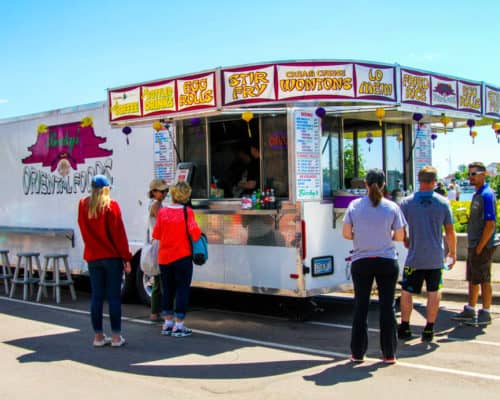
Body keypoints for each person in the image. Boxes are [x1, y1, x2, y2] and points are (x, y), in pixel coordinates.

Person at [342, 169, 406, 364]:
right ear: (384, 184)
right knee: (387, 308)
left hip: (362, 261)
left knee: (361, 307)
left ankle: (358, 353)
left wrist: (360, 237)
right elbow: (401, 236)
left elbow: (346, 233)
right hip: (387, 260)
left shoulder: (354, 206)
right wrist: (386, 236)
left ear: (365, 185)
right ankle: (389, 353)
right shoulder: (392, 207)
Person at [398, 166, 457, 342]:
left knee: (407, 292)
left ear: (419, 180)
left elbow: (400, 229)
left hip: (415, 256)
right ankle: (429, 328)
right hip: (435, 258)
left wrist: (406, 240)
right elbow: (450, 231)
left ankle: (405, 327)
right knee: (434, 292)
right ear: (434, 181)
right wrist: (452, 253)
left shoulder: (407, 202)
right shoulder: (443, 203)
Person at [77, 174, 132, 347]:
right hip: (112, 258)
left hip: (93, 256)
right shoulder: (111, 206)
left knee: (97, 297)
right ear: (106, 189)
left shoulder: (83, 205)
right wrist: (126, 258)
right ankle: (116, 337)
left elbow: (83, 229)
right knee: (114, 297)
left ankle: (98, 336)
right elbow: (119, 234)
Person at [153, 181, 202, 337]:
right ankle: (179, 325)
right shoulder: (188, 212)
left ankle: (167, 323)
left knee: (167, 289)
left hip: (164, 258)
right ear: (186, 195)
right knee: (182, 289)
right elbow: (195, 234)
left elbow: (156, 235)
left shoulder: (163, 212)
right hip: (182, 257)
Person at [452, 162, 497, 326]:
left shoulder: (487, 195)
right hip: (475, 244)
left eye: (473, 174)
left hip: (482, 245)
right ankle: (470, 309)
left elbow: (490, 224)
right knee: (473, 278)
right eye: (469, 174)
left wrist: (480, 246)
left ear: (483, 174)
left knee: (483, 278)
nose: (470, 177)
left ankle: (485, 311)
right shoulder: (477, 194)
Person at [147, 178, 168, 323]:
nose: (165, 193)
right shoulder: (156, 206)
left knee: (158, 280)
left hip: (158, 242)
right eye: (162, 191)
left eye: (166, 190)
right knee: (161, 280)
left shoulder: (158, 204)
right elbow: (164, 223)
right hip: (160, 244)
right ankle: (157, 312)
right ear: (154, 192)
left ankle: (155, 312)